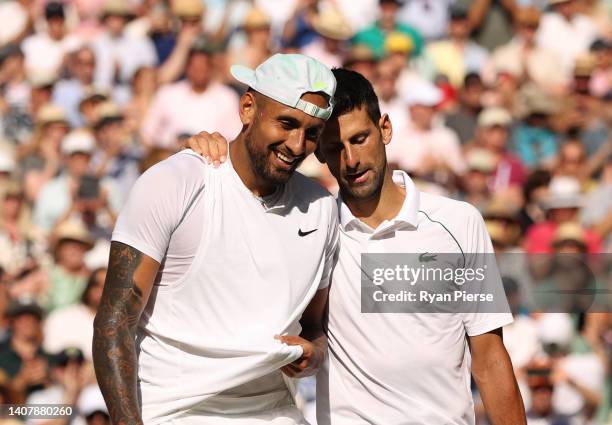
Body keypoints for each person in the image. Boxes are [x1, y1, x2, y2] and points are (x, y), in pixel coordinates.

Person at [190, 68, 527, 424]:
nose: (350, 161)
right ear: (319, 153)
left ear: (385, 128)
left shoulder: (460, 223)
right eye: (334, 148)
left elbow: (490, 361)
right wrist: (209, 151)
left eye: (360, 138)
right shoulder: (311, 225)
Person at [93, 53, 339, 425]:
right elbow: (115, 322)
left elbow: (316, 325)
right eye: (286, 123)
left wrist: (316, 353)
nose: (296, 144)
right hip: (175, 414)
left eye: (311, 133)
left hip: (278, 412)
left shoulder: (322, 208)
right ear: (247, 108)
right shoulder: (175, 182)